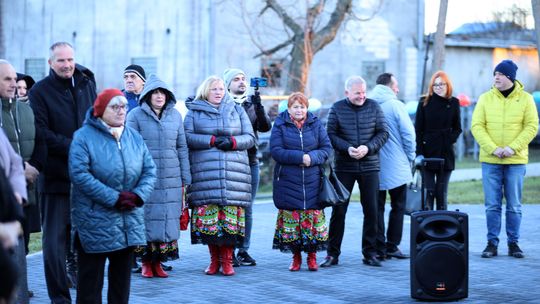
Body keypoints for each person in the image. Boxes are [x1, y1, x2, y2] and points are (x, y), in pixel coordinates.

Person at [69, 88, 156, 303]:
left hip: (128, 220)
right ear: (100, 110)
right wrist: (114, 198)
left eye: (124, 106)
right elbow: (79, 174)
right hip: (95, 222)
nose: (121, 111)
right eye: (114, 107)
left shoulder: (133, 137)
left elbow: (150, 170)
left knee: (121, 286)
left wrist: (136, 196)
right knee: (90, 285)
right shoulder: (83, 137)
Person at [28, 41, 97, 303]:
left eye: (70, 59)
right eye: (61, 61)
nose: (67, 65)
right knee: (54, 248)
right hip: (55, 179)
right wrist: (77, 147)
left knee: (89, 241)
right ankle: (59, 298)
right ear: (50, 63)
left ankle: (87, 296)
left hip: (87, 180)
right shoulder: (39, 92)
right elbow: (42, 133)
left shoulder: (86, 82)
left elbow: (96, 120)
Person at [184, 75, 255, 276]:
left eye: (221, 89)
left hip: (234, 173)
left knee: (229, 224)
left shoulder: (237, 110)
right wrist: (211, 140)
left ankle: (228, 261)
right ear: (206, 91)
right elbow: (187, 137)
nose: (218, 92)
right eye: (214, 89)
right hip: (206, 174)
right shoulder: (193, 112)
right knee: (211, 225)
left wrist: (233, 142)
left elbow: (249, 138)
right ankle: (214, 261)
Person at [471, 59, 539, 259]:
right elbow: (477, 126)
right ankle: (491, 243)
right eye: (495, 74)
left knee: (514, 205)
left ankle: (513, 243)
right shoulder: (485, 98)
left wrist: (512, 148)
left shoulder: (526, 99)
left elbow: (532, 126)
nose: (496, 77)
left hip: (515, 161)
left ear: (510, 77)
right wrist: (493, 149)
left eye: (500, 74)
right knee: (492, 204)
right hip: (490, 160)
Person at [127, 74, 191, 278]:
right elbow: (130, 148)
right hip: (145, 177)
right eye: (155, 92)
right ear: (147, 95)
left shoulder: (175, 116)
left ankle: (159, 263)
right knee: (146, 218)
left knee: (166, 219)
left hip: (171, 177)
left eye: (162, 92)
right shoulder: (135, 115)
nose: (159, 96)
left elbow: (182, 146)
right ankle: (146, 263)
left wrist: (185, 177)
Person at [322, 75, 388, 268]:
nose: (362, 96)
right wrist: (347, 148)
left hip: (370, 166)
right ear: (347, 92)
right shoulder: (337, 108)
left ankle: (370, 253)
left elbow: (383, 133)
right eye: (357, 93)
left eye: (364, 92)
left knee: (372, 211)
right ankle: (332, 254)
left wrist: (368, 148)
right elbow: (330, 135)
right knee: (339, 210)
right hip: (344, 166)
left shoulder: (374, 107)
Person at [270, 92, 332, 271]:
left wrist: (311, 158)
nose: (299, 110)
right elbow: (276, 150)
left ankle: (312, 258)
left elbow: (326, 148)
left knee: (313, 221)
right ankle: (295, 258)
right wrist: (300, 157)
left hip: (313, 181)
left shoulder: (316, 123)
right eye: (295, 107)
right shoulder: (280, 125)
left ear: (307, 108)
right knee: (293, 223)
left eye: (302, 106)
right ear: (289, 109)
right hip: (289, 181)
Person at [1, 60, 46, 300]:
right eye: (7, 80)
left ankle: (19, 290)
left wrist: (35, 167)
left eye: (15, 81)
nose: (15, 85)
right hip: (5, 197)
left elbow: (40, 140)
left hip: (26, 191)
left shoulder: (26, 110)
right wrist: (21, 169)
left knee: (23, 246)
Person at [223, 68, 272, 267]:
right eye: (236, 79)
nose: (241, 82)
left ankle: (244, 249)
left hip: (251, 160)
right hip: (231, 160)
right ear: (227, 85)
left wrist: (259, 106)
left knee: (248, 208)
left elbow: (265, 127)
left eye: (243, 79)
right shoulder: (222, 104)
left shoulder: (251, 104)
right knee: (230, 207)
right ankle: (229, 250)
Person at [368, 73, 415, 260]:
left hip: (372, 163)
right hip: (396, 164)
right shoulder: (396, 105)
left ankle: (379, 246)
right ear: (389, 86)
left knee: (376, 207)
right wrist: (410, 157)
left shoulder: (367, 104)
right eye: (396, 85)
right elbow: (408, 135)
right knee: (398, 205)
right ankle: (392, 246)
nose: (398, 89)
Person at [415, 71, 462, 211]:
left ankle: (442, 226)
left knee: (442, 193)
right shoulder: (424, 102)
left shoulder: (454, 102)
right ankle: (426, 226)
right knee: (428, 191)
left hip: (446, 152)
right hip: (427, 151)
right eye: (435, 85)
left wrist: (449, 140)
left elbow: (457, 128)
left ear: (447, 85)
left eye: (442, 84)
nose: (438, 87)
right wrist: (419, 153)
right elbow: (418, 130)